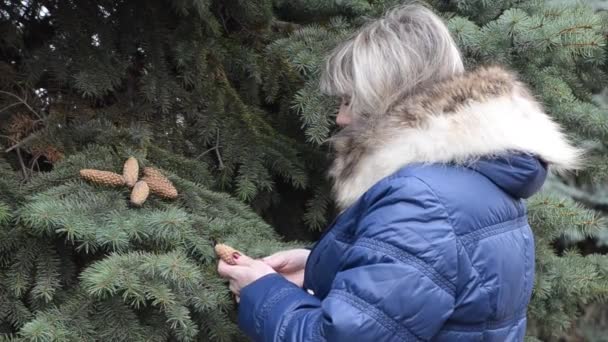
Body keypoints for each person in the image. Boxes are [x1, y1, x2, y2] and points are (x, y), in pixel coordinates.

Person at [217, 3, 582, 341]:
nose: (341, 117)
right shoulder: (473, 178)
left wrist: (262, 290)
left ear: (385, 95)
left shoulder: (420, 200)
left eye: (350, 98)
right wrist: (319, 266)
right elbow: (430, 286)